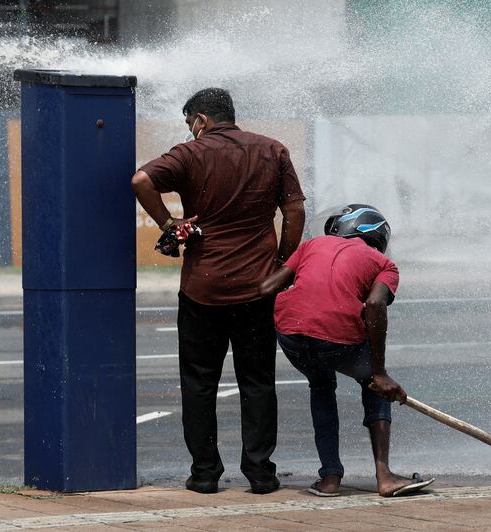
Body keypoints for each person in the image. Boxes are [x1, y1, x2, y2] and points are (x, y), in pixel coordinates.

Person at [131, 88, 306, 495]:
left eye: (190, 123)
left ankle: (205, 474)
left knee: (198, 383)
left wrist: (168, 226)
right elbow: (294, 211)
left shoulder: (190, 153)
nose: (190, 130)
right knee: (258, 381)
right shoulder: (272, 149)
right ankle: (261, 473)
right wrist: (280, 264)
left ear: (202, 120)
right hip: (257, 288)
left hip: (201, 290)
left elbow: (141, 180)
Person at [259, 204, 434, 497]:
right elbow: (375, 305)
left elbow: (267, 287)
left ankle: (329, 479)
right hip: (335, 340)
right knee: (375, 388)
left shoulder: (312, 245)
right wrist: (379, 374)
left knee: (321, 385)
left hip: (291, 335)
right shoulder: (385, 265)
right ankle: (385, 476)